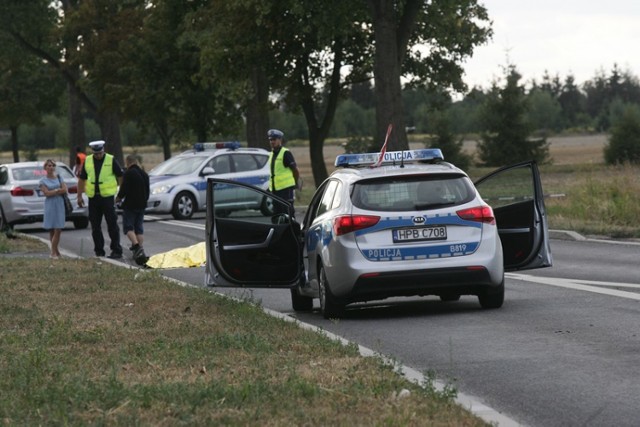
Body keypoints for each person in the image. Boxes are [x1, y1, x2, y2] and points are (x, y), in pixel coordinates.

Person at [77, 140, 124, 259]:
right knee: (95, 226)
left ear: (103, 150)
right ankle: (99, 251)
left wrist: (121, 194)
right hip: (93, 197)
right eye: (96, 153)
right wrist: (79, 196)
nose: (98, 155)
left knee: (112, 224)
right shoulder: (87, 160)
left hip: (107, 198)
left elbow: (120, 176)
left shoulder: (110, 159)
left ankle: (116, 250)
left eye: (100, 153)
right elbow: (82, 179)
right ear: (93, 152)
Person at [116, 154, 150, 265]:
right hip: (142, 204)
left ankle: (136, 247)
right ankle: (140, 250)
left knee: (128, 227)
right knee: (139, 228)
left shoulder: (129, 173)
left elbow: (124, 188)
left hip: (131, 205)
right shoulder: (144, 174)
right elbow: (148, 191)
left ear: (128, 162)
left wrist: (118, 198)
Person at [39, 159, 67, 259]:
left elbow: (64, 189)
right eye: (48, 166)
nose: (51, 167)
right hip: (50, 205)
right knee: (51, 229)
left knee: (58, 229)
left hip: (59, 204)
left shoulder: (59, 177)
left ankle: (53, 252)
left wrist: (54, 191)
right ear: (45, 168)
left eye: (52, 166)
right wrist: (57, 190)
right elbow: (46, 193)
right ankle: (55, 252)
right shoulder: (42, 181)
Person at [267, 129, 301, 210]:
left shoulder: (285, 153)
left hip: (286, 190)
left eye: (274, 139)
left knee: (287, 213)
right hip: (275, 190)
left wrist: (295, 183)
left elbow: (295, 170)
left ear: (280, 140)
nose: (272, 142)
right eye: (271, 140)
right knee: (277, 213)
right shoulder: (271, 154)